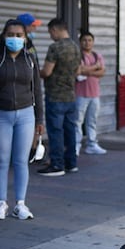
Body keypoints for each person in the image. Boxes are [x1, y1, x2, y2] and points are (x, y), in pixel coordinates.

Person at [0, 19, 44, 221]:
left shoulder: (30, 59)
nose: (15, 38)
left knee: (21, 161)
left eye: (19, 35)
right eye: (10, 34)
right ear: (4, 36)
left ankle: (20, 204)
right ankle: (1, 203)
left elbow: (37, 90)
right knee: (2, 160)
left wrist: (40, 119)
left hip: (26, 114)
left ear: (25, 37)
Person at [38, 18, 81, 177]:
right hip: (70, 96)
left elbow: (47, 71)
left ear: (55, 30)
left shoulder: (55, 48)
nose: (51, 36)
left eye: (50, 32)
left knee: (56, 131)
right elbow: (77, 72)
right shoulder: (75, 47)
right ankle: (71, 163)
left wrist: (36, 73)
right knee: (70, 130)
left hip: (55, 96)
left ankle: (57, 164)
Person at [76, 30, 108, 155]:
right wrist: (95, 67)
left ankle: (92, 144)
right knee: (77, 121)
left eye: (89, 40)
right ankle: (76, 145)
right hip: (80, 94)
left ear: (93, 42)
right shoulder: (77, 56)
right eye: (84, 40)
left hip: (94, 94)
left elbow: (102, 72)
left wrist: (86, 71)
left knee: (92, 121)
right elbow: (78, 71)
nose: (87, 43)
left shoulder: (97, 56)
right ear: (80, 42)